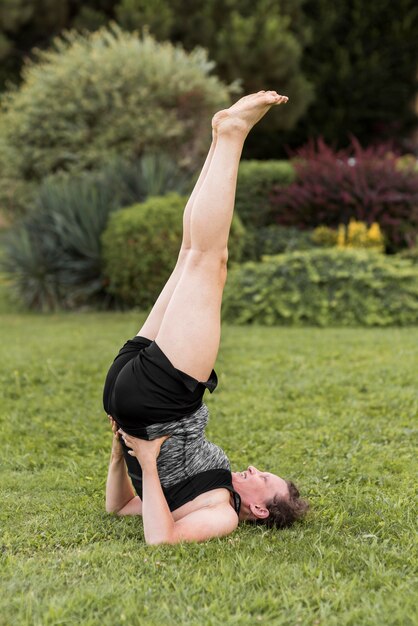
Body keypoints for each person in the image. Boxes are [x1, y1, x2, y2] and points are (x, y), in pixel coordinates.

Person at [103, 91, 309, 544]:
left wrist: (150, 464)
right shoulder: (214, 491)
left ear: (259, 507)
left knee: (209, 260)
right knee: (190, 256)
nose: (255, 468)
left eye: (265, 479)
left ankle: (232, 134)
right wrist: (120, 456)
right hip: (134, 401)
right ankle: (221, 136)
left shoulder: (224, 515)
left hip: (160, 405)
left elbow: (162, 539)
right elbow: (120, 508)